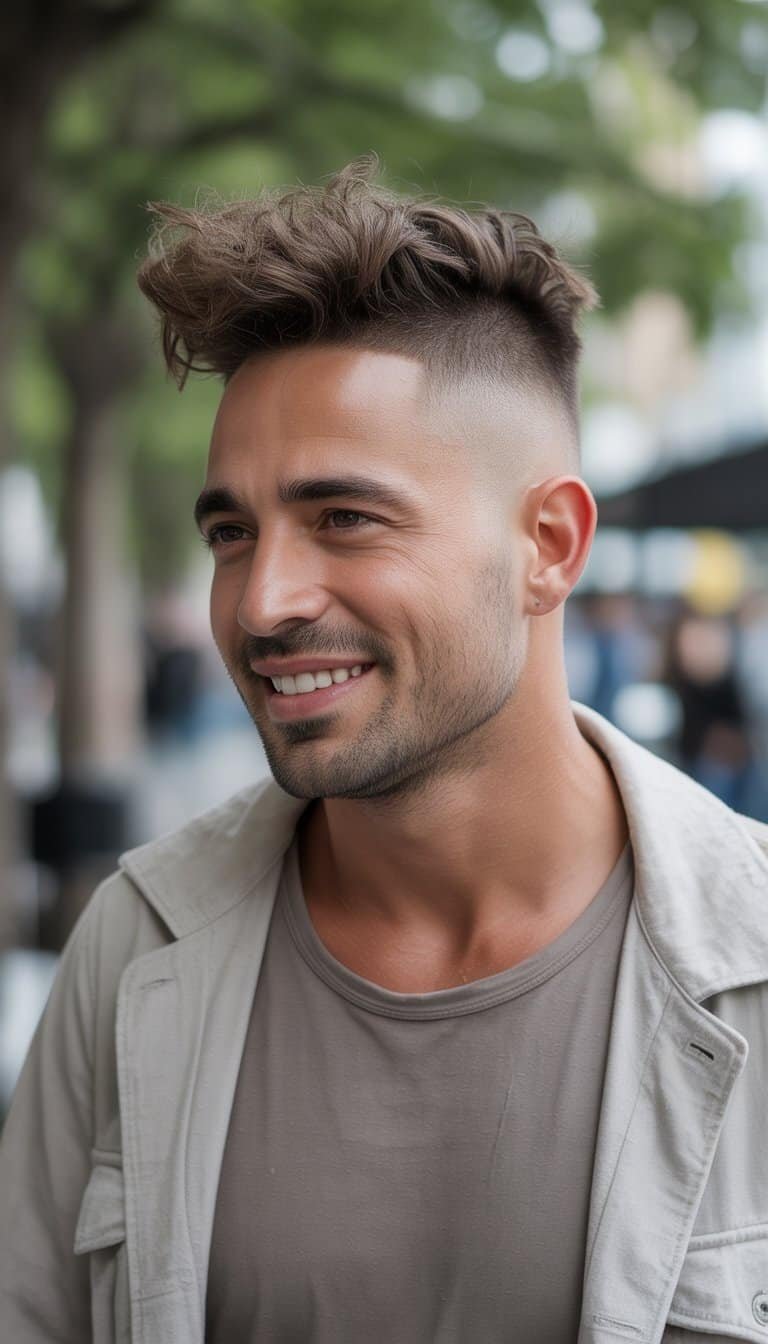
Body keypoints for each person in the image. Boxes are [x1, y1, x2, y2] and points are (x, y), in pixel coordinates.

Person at [1, 157, 767, 1344]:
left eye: (344, 518)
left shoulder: (755, 962)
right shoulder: (134, 945)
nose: (262, 602)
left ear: (550, 546)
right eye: (231, 532)